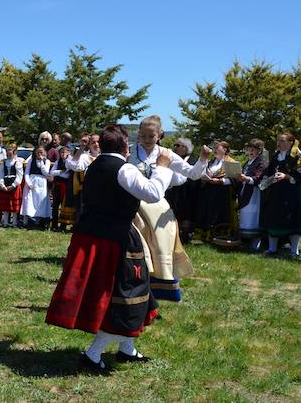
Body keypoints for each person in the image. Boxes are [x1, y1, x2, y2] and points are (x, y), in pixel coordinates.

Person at [45, 125, 209, 372]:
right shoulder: (124, 168)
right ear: (124, 147)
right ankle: (93, 352)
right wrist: (163, 168)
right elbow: (153, 193)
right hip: (115, 240)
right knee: (126, 295)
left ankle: (126, 348)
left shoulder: (96, 165)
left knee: (132, 292)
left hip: (94, 236)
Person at [127, 115, 207, 302]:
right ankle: (133, 286)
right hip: (134, 208)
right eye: (143, 136)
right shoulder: (130, 152)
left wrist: (203, 159)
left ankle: (158, 290)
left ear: (160, 135)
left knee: (159, 248)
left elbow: (193, 174)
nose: (147, 140)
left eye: (151, 136)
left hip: (157, 209)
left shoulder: (167, 154)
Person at [260, 132, 299, 257]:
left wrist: (286, 176)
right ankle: (272, 249)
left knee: (293, 221)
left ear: (290, 143)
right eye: (278, 140)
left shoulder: (297, 155)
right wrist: (267, 179)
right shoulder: (276, 155)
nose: (279, 143)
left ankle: (294, 251)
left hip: (291, 193)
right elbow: (269, 170)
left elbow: (299, 174)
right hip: (276, 193)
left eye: (282, 141)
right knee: (273, 218)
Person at [193, 141, 238, 240]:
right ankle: (203, 234)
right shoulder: (210, 162)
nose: (214, 150)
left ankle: (217, 234)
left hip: (222, 193)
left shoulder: (231, 162)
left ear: (225, 150)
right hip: (208, 191)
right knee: (205, 211)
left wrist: (220, 181)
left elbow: (234, 179)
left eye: (217, 148)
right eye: (214, 148)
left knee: (218, 213)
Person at [236, 139, 268, 251]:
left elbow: (259, 177)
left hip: (255, 193)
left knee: (253, 216)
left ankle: (256, 242)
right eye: (249, 148)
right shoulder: (248, 161)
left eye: (253, 149)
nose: (250, 150)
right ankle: (245, 241)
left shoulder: (262, 161)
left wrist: (246, 178)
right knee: (245, 215)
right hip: (245, 191)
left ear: (259, 150)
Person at [0, 143, 24, 227]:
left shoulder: (17, 162)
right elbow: (0, 174)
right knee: (6, 204)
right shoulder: (3, 162)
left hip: (14, 185)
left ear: (15, 151)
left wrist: (13, 185)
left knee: (14, 205)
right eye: (8, 150)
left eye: (11, 150)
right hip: (5, 184)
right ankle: (5, 222)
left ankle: (14, 222)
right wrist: (2, 185)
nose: (9, 152)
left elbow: (19, 175)